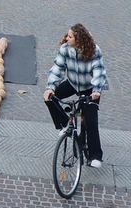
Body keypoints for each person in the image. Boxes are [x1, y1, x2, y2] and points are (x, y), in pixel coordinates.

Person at [43, 24, 109, 168]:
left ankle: (95, 156)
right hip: (73, 83)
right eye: (67, 35)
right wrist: (50, 87)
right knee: (50, 98)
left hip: (90, 88)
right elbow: (57, 69)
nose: (67, 38)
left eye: (70, 36)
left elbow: (99, 71)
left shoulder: (93, 50)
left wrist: (96, 91)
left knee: (91, 120)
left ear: (79, 39)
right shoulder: (65, 49)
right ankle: (64, 123)